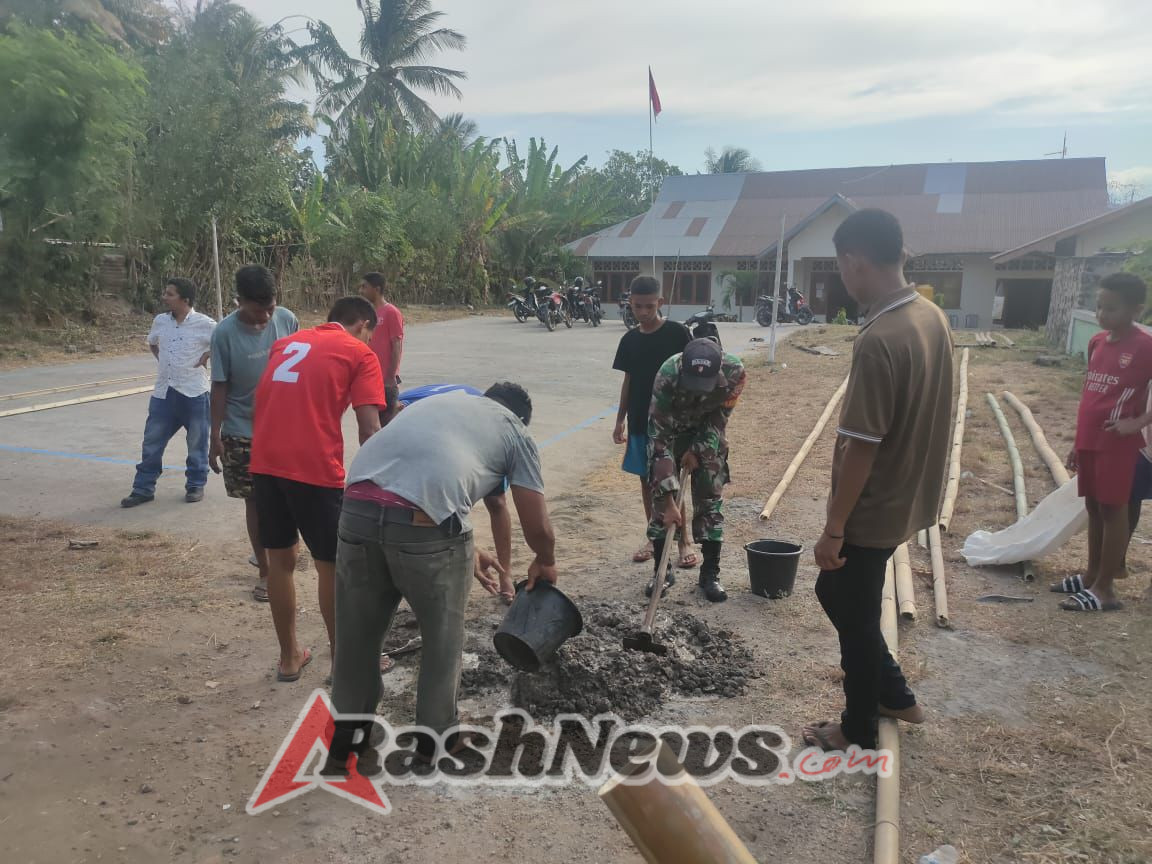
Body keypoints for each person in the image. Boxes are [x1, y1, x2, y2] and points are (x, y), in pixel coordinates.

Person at [327, 382, 556, 766]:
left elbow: (409, 486)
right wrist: (545, 559)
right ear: (521, 418)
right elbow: (535, 522)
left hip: (355, 510)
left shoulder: (446, 402)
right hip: (424, 526)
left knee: (357, 634)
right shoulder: (515, 431)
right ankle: (437, 738)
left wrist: (470, 550)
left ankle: (347, 738)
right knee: (442, 635)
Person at [804, 209, 953, 753]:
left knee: (845, 600)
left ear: (854, 262)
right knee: (851, 601)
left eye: (841, 268)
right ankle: (894, 694)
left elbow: (860, 446)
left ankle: (859, 725)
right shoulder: (930, 315)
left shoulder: (879, 338)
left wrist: (835, 527)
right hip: (911, 494)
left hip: (876, 504)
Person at [249, 297, 387, 682]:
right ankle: (344, 658)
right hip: (313, 467)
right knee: (332, 565)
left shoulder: (287, 342)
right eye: (371, 335)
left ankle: (289, 657)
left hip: (265, 462)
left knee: (280, 562)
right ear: (362, 325)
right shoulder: (359, 353)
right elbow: (370, 429)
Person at [1053, 273, 1152, 612]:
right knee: (1094, 507)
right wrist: (1077, 441)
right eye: (1099, 306)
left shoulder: (1145, 346)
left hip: (1117, 444)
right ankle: (1092, 574)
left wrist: (1137, 422)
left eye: (1111, 308)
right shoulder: (1096, 342)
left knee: (1113, 509)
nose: (1102, 314)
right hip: (1090, 439)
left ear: (1137, 309)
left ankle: (1106, 588)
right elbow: (1090, 393)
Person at [208, 265, 299, 602]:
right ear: (239, 301)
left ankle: (285, 556)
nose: (265, 316)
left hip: (286, 427)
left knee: (292, 496)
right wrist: (214, 434)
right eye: (258, 308)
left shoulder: (287, 319)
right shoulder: (224, 334)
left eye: (270, 306)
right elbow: (219, 386)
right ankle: (265, 570)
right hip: (242, 431)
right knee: (256, 502)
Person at [645, 338, 746, 603]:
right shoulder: (667, 375)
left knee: (710, 497)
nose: (699, 392)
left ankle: (710, 574)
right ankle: (662, 571)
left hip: (707, 433)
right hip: (671, 431)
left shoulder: (735, 372)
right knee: (661, 503)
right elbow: (658, 440)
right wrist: (668, 499)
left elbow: (719, 419)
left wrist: (698, 449)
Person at [395, 383, 516, 601]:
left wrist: (505, 574)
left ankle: (504, 573)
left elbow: (497, 503)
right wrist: (469, 550)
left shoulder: (478, 413)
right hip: (404, 430)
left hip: (408, 424)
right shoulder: (453, 423)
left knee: (496, 500)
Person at [612, 275, 694, 568]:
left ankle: (684, 540)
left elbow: (694, 377)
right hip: (638, 421)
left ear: (660, 303)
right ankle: (653, 534)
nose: (643, 312)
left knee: (671, 482)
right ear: (630, 304)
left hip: (672, 422)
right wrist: (619, 420)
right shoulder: (629, 340)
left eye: (649, 306)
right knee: (648, 482)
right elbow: (628, 382)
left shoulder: (678, 333)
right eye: (637, 306)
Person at [121, 278, 216, 507]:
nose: (164, 297)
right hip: (164, 393)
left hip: (194, 393)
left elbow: (224, 342)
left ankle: (195, 485)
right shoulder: (160, 321)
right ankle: (143, 488)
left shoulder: (206, 324)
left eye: (170, 294)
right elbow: (153, 343)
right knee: (152, 442)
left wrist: (207, 355)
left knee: (197, 443)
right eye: (165, 293)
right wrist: (163, 362)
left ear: (185, 300)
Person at [358, 272, 404, 426]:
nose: (361, 291)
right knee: (370, 426)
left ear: (376, 289)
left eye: (365, 287)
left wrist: (390, 376)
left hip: (385, 382)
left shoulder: (391, 312)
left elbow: (397, 345)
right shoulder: (368, 314)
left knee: (385, 425)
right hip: (370, 379)